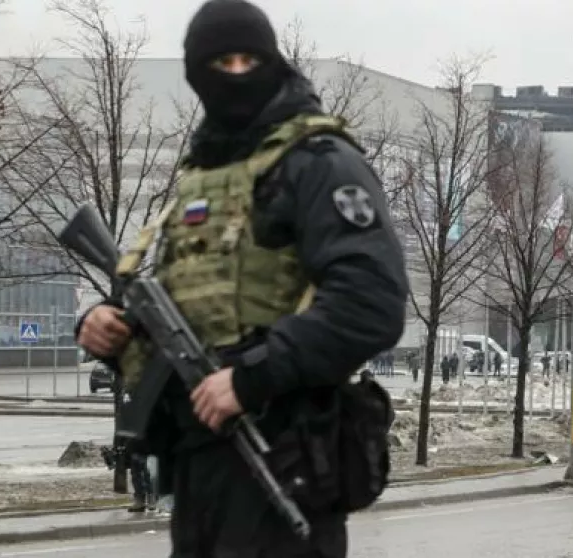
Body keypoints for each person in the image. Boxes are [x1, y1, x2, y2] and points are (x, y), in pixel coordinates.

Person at [74, 1, 407, 556]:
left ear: (273, 62)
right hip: (198, 468)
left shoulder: (318, 161)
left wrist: (251, 378)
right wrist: (115, 329)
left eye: (246, 59)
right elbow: (193, 306)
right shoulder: (201, 177)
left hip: (283, 459)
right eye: (218, 63)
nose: (233, 75)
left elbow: (371, 302)